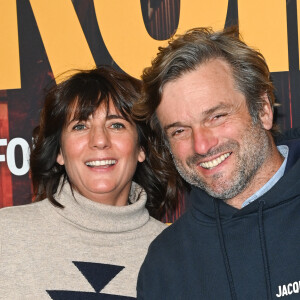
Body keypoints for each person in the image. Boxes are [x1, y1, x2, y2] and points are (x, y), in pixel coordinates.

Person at [134, 27, 300, 299]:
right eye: (179, 130)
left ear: (263, 110)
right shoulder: (165, 263)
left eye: (216, 117)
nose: (201, 145)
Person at [0, 66, 167, 299]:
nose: (99, 140)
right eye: (80, 126)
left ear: (141, 148)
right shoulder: (5, 234)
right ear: (59, 151)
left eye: (116, 124)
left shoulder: (177, 251)